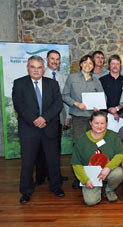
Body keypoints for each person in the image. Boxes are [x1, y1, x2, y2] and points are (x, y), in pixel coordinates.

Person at [12, 55, 65, 204]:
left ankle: (56, 187)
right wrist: (34, 120)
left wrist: (44, 118)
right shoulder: (19, 83)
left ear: (43, 69)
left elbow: (58, 104)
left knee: (53, 161)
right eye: (32, 67)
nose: (36, 70)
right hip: (29, 129)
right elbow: (19, 105)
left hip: (49, 128)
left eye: (39, 67)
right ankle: (26, 191)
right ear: (27, 68)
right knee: (28, 163)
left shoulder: (52, 84)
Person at [62, 55, 105, 188]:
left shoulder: (96, 80)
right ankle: (78, 177)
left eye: (90, 63)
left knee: (94, 147)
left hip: (93, 119)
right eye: (85, 62)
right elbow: (65, 95)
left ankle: (93, 175)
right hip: (79, 117)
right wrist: (76, 103)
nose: (87, 65)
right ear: (80, 64)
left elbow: (103, 96)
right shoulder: (72, 78)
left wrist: (100, 106)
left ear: (93, 66)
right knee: (79, 147)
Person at [71, 111, 123, 206]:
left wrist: (108, 167)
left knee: (118, 173)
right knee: (91, 202)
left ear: (106, 124)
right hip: (90, 175)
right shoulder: (82, 140)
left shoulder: (112, 136)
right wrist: (85, 180)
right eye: (96, 123)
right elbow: (76, 163)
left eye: (102, 123)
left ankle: (109, 190)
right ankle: (96, 190)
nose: (99, 126)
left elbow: (120, 154)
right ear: (90, 123)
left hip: (108, 170)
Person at [36, 49, 69, 185]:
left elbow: (65, 97)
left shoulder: (63, 76)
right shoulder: (40, 75)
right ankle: (40, 176)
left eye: (57, 59)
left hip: (58, 117)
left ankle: (54, 175)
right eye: (52, 59)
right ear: (47, 60)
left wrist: (68, 115)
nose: (55, 61)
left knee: (55, 148)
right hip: (41, 118)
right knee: (40, 149)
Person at [99, 54, 123, 120]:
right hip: (105, 114)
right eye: (113, 63)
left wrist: (117, 108)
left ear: (120, 66)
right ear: (109, 65)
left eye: (117, 64)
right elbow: (99, 98)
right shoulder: (101, 80)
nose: (115, 66)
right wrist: (110, 110)